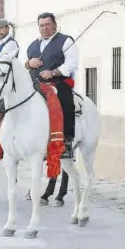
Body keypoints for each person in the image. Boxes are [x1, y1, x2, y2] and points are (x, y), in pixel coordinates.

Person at [25, 12, 78, 205]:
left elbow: (72, 63)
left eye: (48, 24)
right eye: (41, 25)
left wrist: (53, 72)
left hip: (58, 83)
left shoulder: (65, 41)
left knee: (65, 101)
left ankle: (67, 139)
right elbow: (27, 65)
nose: (45, 27)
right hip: (36, 86)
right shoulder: (32, 45)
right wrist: (28, 63)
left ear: (55, 25)